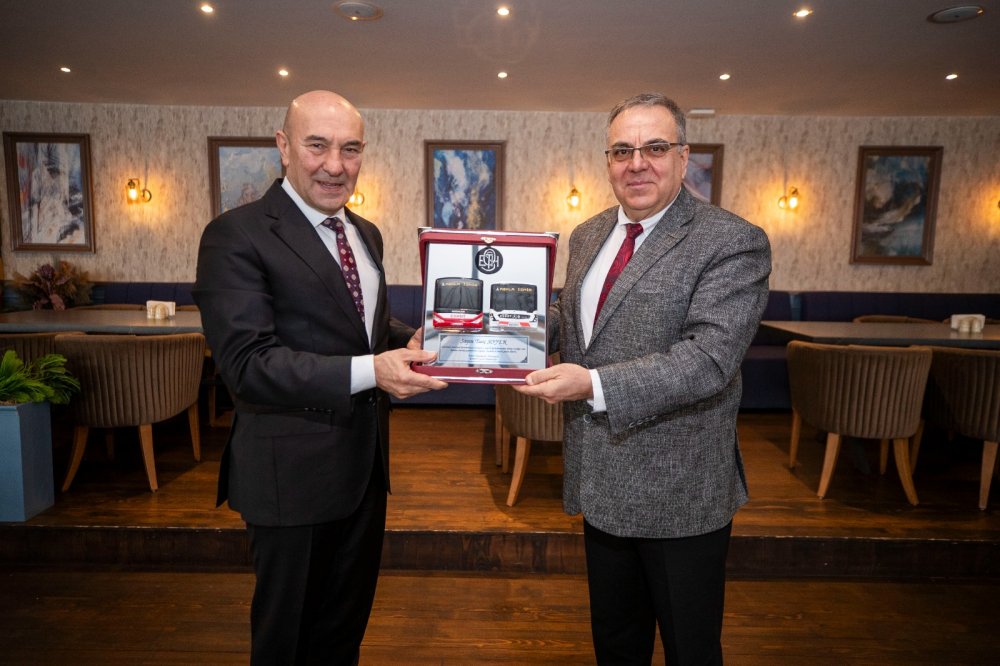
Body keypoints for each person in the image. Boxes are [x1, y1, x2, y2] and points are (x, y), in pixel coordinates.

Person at [516, 92, 771, 665]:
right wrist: (494, 336)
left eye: (654, 148)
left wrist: (591, 385)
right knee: (616, 644)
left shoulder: (731, 240)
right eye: (622, 151)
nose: (637, 164)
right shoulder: (587, 234)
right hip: (600, 482)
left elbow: (708, 359)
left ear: (683, 156)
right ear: (607, 160)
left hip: (679, 492)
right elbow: (572, 319)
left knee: (690, 650)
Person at [194, 90, 446, 664]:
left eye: (350, 149)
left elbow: (359, 325)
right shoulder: (236, 234)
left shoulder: (365, 232)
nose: (335, 164)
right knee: (287, 643)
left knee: (341, 637)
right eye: (317, 146)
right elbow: (248, 365)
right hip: (290, 479)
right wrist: (374, 370)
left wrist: (406, 340)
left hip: (364, 471)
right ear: (284, 147)